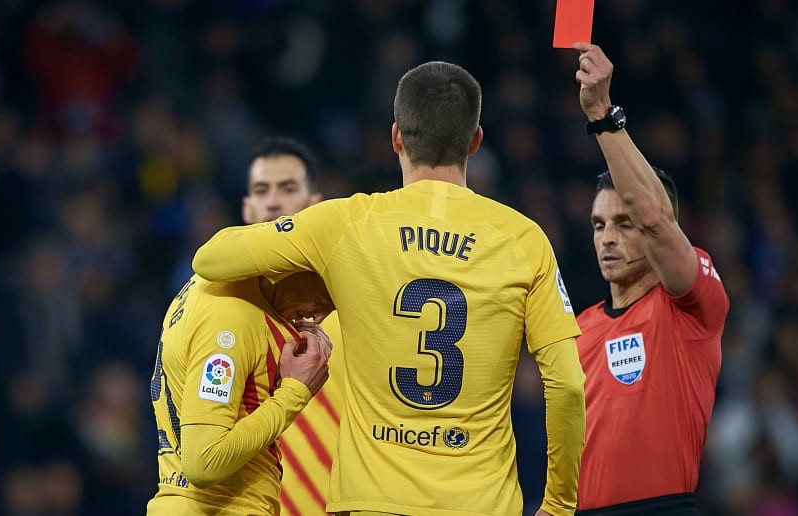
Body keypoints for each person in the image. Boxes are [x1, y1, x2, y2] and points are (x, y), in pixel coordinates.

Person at [192, 61, 586, 516]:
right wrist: (558, 504)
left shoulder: (346, 223)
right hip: (481, 503)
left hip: (372, 500)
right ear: (475, 141)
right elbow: (568, 385)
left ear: (397, 137)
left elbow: (211, 258)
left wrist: (310, 278)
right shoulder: (524, 240)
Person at [571, 43, 730, 514]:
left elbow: (656, 219)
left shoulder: (693, 304)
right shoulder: (578, 329)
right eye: (599, 225)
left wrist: (602, 114)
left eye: (624, 224)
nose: (608, 239)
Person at [145, 270, 334, 515]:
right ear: (292, 259)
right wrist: (295, 392)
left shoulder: (210, 283)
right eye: (323, 294)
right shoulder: (231, 318)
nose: (320, 313)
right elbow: (205, 460)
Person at [242, 137, 346, 515]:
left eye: (287, 189)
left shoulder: (349, 303)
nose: (273, 202)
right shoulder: (221, 307)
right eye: (261, 190)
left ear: (314, 205)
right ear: (247, 207)